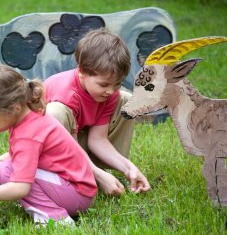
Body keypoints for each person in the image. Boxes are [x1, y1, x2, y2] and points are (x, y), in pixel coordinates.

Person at [0, 64, 97, 226]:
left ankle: (55, 219)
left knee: (8, 172)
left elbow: (21, 187)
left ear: (14, 108)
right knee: (3, 170)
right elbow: (18, 155)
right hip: (76, 189)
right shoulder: (27, 117)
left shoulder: (28, 134)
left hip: (76, 195)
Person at [44, 28, 151, 196]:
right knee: (55, 112)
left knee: (125, 99)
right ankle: (76, 174)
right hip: (47, 150)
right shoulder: (66, 94)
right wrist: (99, 177)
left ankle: (94, 168)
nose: (110, 91)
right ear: (81, 71)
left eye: (116, 84)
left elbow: (97, 139)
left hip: (76, 143)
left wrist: (129, 168)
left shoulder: (108, 93)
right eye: (103, 85)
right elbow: (69, 146)